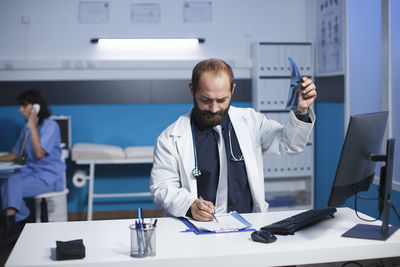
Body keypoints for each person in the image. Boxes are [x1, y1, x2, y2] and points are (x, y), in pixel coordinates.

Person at [150, 59, 316, 222]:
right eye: (205, 100)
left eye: (222, 100)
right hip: (197, 227)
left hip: (247, 224)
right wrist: (190, 205)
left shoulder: (251, 121)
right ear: (192, 90)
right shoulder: (170, 138)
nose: (214, 109)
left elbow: (289, 145)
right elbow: (162, 188)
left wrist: (302, 110)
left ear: (233, 90)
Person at [0, 89, 66, 227]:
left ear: (36, 107)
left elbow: (39, 154)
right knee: (8, 183)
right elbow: (15, 154)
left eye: (24, 106)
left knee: (9, 188)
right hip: (30, 172)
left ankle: (14, 226)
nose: (20, 110)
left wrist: (32, 126)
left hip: (48, 176)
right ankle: (18, 222)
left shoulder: (50, 126)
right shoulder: (26, 128)